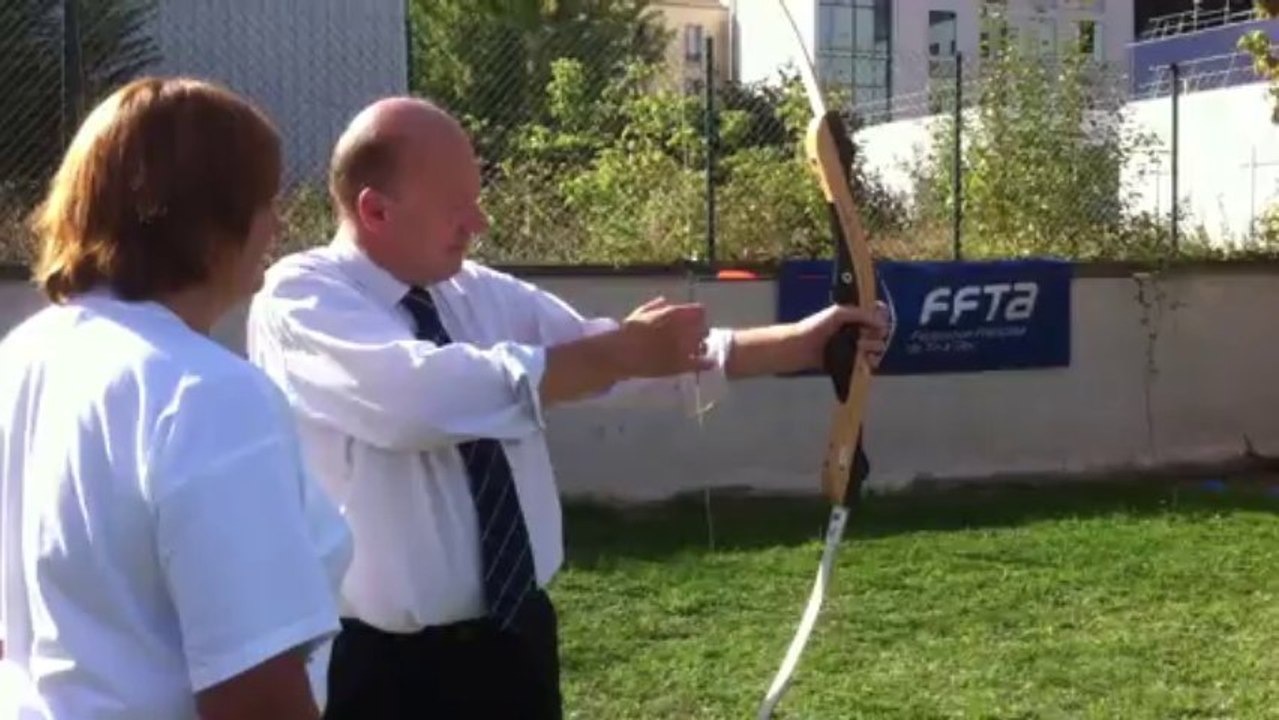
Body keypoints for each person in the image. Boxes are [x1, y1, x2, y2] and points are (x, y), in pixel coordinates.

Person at [244, 96, 887, 720]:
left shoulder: (476, 292)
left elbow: (615, 361)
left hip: (515, 644)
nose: (479, 223)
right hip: (385, 671)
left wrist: (801, 344)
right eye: (457, 208)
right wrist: (614, 355)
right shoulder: (301, 296)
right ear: (376, 211)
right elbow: (420, 400)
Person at [0, 77, 352, 720]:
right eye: (264, 200)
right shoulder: (207, 394)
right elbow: (255, 688)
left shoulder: (23, 357)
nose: (277, 225)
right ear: (208, 220)